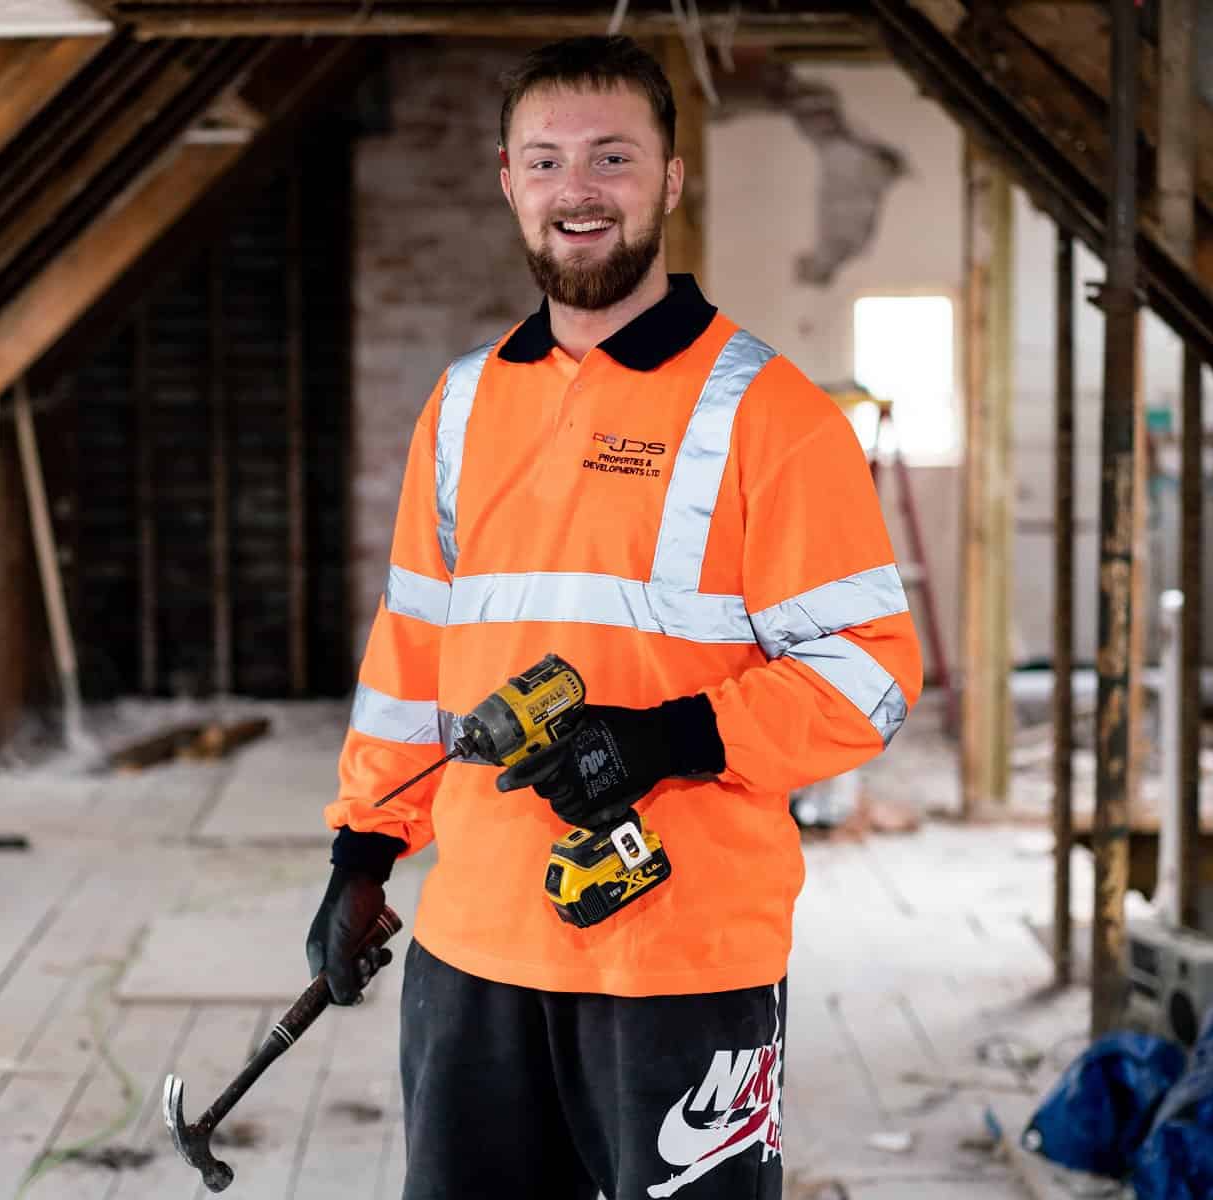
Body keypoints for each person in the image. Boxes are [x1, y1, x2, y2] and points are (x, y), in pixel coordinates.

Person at [306, 35, 923, 1200]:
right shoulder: (463, 404)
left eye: (611, 157)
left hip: (683, 951)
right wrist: (365, 848)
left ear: (671, 180)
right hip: (474, 947)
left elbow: (870, 672)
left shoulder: (773, 414)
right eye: (545, 161)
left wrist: (674, 737)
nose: (576, 190)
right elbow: (414, 658)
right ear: (506, 180)